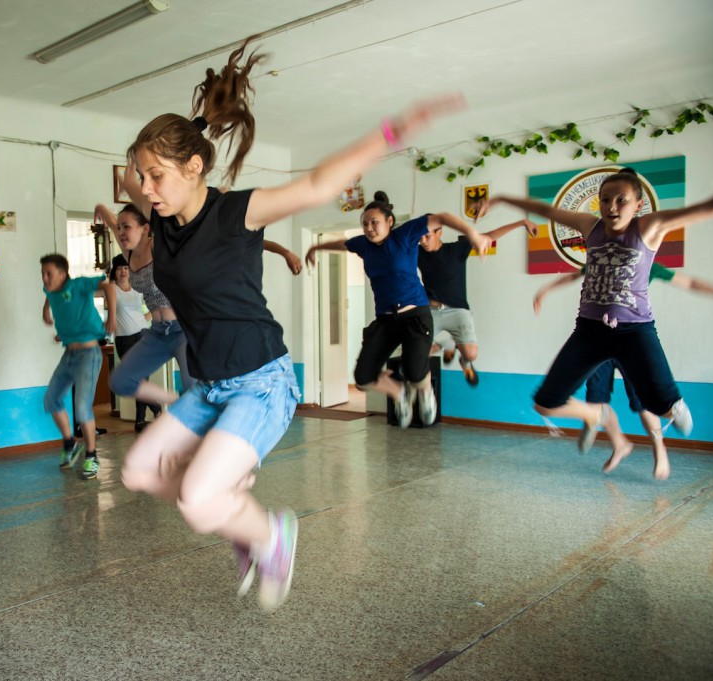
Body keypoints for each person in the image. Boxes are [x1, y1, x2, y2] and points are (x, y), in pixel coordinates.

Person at [116, 35, 464, 611]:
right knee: (138, 471)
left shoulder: (235, 212)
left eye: (154, 175)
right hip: (208, 384)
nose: (145, 188)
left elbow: (318, 185)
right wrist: (183, 129)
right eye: (141, 176)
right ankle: (239, 515)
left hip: (261, 380)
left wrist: (391, 133)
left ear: (194, 167)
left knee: (197, 501)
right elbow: (141, 179)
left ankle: (271, 535)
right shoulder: (165, 220)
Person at [475, 168, 713, 470]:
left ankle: (673, 406)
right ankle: (598, 415)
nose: (612, 207)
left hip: (635, 332)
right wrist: (500, 198)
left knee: (661, 405)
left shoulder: (649, 227)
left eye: (622, 200)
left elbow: (708, 209)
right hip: (589, 332)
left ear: (638, 205)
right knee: (545, 402)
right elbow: (545, 210)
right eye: (605, 200)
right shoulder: (589, 226)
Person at [97, 202, 303, 416]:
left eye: (126, 227)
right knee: (120, 381)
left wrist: (285, 252)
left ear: (145, 228)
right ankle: (177, 401)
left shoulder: (161, 245)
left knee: (194, 387)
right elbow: (110, 220)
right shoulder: (128, 253)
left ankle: (215, 421)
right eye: (119, 227)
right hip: (157, 333)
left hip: (183, 332)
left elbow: (233, 240)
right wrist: (99, 208)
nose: (120, 231)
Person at [306, 195, 490, 427]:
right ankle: (400, 393)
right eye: (365, 224)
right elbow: (342, 245)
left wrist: (472, 233)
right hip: (386, 321)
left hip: (415, 316)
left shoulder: (405, 235)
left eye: (375, 222)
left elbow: (441, 217)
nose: (369, 228)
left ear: (390, 221)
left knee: (414, 371)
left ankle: (424, 392)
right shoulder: (363, 244)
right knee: (363, 378)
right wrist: (315, 247)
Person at [533, 262, 713, 480]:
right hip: (595, 339)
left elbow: (689, 282)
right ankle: (618, 443)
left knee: (643, 402)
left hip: (630, 340)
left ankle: (659, 449)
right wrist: (544, 290)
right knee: (596, 397)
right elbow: (572, 276)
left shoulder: (646, 263)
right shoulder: (602, 259)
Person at [418, 217, 538, 386]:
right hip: (431, 312)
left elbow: (489, 236)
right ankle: (447, 343)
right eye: (420, 237)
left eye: (427, 236)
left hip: (458, 311)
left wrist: (522, 223)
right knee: (418, 354)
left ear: (439, 232)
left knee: (471, 354)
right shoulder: (417, 253)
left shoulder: (457, 249)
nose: (423, 241)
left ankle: (465, 363)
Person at [40, 253, 117, 480]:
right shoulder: (51, 290)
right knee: (51, 399)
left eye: (49, 274)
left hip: (89, 354)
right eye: (42, 274)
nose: (45, 278)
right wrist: (45, 309)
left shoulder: (78, 284)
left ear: (63, 274)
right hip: (69, 354)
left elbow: (108, 286)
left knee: (82, 406)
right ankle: (70, 443)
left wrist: (111, 315)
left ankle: (92, 456)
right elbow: (48, 295)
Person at [109, 252, 161, 432]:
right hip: (124, 339)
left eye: (125, 268)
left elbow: (152, 307)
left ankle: (140, 421)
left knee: (142, 379)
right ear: (114, 272)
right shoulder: (111, 289)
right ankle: (155, 407)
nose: (123, 271)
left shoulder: (138, 289)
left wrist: (146, 317)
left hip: (142, 335)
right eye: (119, 269)